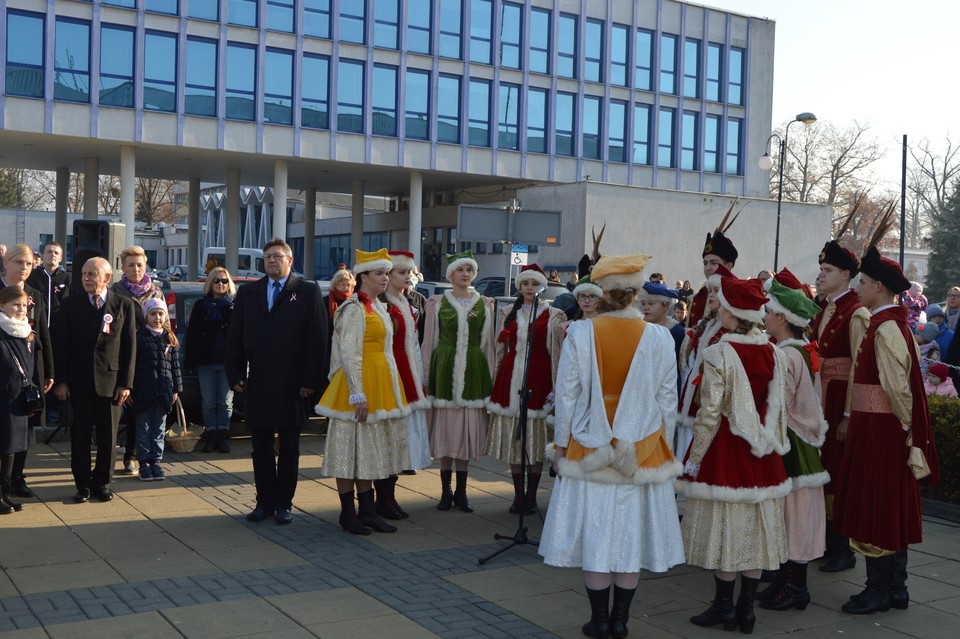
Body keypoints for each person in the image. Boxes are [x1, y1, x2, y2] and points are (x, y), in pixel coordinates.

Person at [540, 253, 684, 639]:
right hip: (644, 449)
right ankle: (620, 622)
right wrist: (664, 446)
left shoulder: (581, 334)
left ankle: (600, 620)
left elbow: (567, 396)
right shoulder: (658, 336)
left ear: (601, 293)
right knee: (629, 536)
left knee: (598, 534)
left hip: (589, 449)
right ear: (637, 292)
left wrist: (560, 444)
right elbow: (668, 399)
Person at [678, 275, 790, 635]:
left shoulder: (720, 353)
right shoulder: (773, 350)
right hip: (764, 452)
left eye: (723, 304)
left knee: (726, 528)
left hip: (728, 448)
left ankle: (724, 607)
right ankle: (746, 611)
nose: (718, 309)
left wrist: (694, 458)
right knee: (755, 530)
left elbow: (710, 413)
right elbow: (778, 405)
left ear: (733, 312)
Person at [833, 245, 939, 614]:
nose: (858, 287)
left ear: (878, 285)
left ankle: (879, 589)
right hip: (876, 428)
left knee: (877, 505)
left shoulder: (886, 327)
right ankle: (895, 588)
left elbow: (898, 389)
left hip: (881, 432)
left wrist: (906, 433)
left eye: (862, 282)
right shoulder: (885, 323)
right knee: (886, 505)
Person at [226, 239, 327, 525]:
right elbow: (235, 337)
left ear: (290, 260)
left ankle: (284, 502)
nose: (271, 261)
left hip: (293, 383)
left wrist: (310, 380)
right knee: (261, 447)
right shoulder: (249, 293)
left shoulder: (306, 291)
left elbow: (318, 340)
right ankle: (264, 501)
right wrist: (234, 375)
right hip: (258, 382)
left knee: (290, 447)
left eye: (277, 256)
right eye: (267, 256)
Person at [317, 249, 409, 535]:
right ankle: (349, 513)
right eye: (380, 273)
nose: (385, 278)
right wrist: (357, 393)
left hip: (377, 382)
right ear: (364, 277)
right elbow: (347, 353)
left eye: (386, 273)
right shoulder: (355, 308)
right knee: (347, 452)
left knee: (366, 451)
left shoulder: (378, 306)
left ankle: (367, 511)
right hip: (357, 386)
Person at [757, 270, 829, 612]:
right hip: (802, 440)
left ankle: (795, 588)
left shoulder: (785, 355)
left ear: (783, 318)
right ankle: (786, 583)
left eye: (769, 313)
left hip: (791, 445)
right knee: (792, 516)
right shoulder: (799, 349)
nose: (765, 318)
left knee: (794, 517)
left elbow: (778, 404)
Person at [53, 257, 137, 503]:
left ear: (107, 278)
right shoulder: (69, 305)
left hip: (111, 384)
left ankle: (102, 483)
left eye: (92, 274)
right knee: (79, 437)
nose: (86, 278)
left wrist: (126, 384)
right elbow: (62, 346)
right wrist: (61, 381)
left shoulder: (123, 305)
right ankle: (83, 486)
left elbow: (129, 348)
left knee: (108, 438)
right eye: (83, 274)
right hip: (78, 383)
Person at [486, 264, 565, 515]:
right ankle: (518, 496)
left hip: (540, 376)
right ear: (519, 286)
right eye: (525, 284)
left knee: (537, 438)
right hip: (511, 378)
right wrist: (495, 378)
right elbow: (500, 349)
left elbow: (559, 353)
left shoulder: (554, 314)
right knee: (516, 441)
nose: (530, 288)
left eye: (534, 284)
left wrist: (557, 384)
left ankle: (532, 496)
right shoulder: (508, 311)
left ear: (541, 286)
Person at [813, 238, 871, 574]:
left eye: (828, 270)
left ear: (846, 274)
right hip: (821, 395)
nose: (821, 276)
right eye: (821, 269)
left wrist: (849, 414)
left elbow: (857, 368)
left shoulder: (856, 312)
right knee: (823, 470)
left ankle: (842, 548)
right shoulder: (824, 307)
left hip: (837, 399)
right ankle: (825, 540)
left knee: (836, 472)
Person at [421, 250, 495, 512]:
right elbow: (429, 340)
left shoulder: (484, 303)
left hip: (473, 369)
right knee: (446, 429)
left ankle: (462, 493)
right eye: (460, 270)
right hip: (445, 366)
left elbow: (488, 344)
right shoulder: (437, 303)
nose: (465, 275)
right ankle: (445, 491)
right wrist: (426, 374)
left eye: (469, 270)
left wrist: (490, 375)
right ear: (451, 274)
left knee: (465, 431)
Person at [377, 250, 431, 518]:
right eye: (401, 272)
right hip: (388, 374)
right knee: (387, 438)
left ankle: (389, 495)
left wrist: (421, 379)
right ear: (388, 275)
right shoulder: (381, 306)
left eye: (408, 272)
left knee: (402, 440)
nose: (407, 276)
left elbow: (415, 347)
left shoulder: (409, 306)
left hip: (406, 376)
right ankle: (381, 498)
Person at [2, 244, 54, 500]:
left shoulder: (35, 293)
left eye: (28, 264)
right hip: (5, 374)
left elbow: (43, 334)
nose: (24, 268)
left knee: (26, 426)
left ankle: (17, 477)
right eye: (18, 262)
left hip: (31, 371)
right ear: (6, 263)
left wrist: (49, 371)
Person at [112, 246, 165, 474]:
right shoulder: (115, 291)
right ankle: (123, 453)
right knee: (126, 409)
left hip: (150, 360)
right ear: (122, 267)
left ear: (146, 267)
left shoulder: (156, 292)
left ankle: (137, 456)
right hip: (124, 357)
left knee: (145, 412)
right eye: (130, 265)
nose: (135, 269)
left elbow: (167, 326)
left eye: (140, 265)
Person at [675, 263, 734, 459]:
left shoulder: (729, 331)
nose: (711, 294)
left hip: (708, 407)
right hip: (690, 402)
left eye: (717, 291)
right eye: (710, 290)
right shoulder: (705, 325)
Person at [183, 267, 235, 454]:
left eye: (224, 281)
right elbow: (192, 335)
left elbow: (241, 336)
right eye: (217, 281)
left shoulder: (233, 306)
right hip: (205, 362)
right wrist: (189, 360)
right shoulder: (200, 306)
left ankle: (222, 436)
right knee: (208, 402)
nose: (221, 284)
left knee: (225, 402)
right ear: (210, 283)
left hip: (227, 364)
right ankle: (211, 436)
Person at [132, 298, 182, 481]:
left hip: (163, 391)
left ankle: (156, 462)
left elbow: (175, 366)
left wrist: (176, 388)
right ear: (146, 317)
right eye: (153, 314)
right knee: (143, 428)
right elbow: (133, 365)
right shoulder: (139, 337)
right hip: (144, 391)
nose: (157, 318)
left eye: (161, 314)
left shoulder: (169, 338)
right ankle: (144, 462)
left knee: (158, 428)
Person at [0, 286, 39, 514]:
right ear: (2, 306)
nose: (21, 309)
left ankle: (5, 492)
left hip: (19, 400)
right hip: (3, 397)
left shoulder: (26, 332)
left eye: (24, 305)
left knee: (11, 449)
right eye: (15, 305)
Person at [688, 208, 739, 327]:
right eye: (705, 263)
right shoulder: (700, 294)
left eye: (714, 263)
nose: (708, 268)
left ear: (728, 266)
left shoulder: (736, 295)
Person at [27, 241, 72, 324]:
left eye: (56, 253)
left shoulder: (67, 278)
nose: (53, 255)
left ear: (60, 258)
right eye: (49, 252)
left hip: (60, 324)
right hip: (37, 323)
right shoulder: (31, 276)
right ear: (42, 256)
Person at [324, 269, 356, 339]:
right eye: (342, 284)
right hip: (329, 343)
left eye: (348, 285)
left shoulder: (356, 303)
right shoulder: (324, 302)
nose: (345, 287)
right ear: (335, 285)